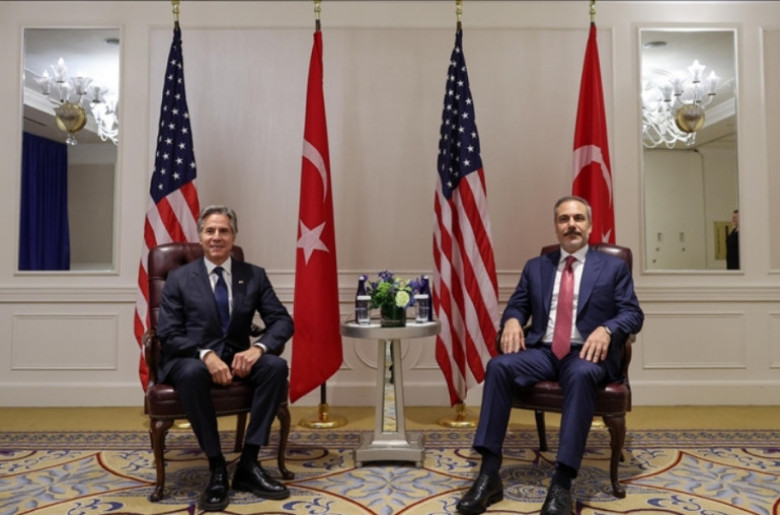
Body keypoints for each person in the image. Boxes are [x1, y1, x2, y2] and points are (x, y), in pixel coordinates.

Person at [456, 196, 644, 515]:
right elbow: (518, 305)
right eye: (564, 219)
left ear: (589, 225)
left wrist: (608, 329)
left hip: (585, 353)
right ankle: (488, 475)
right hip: (543, 352)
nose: (571, 225)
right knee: (499, 366)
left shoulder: (613, 268)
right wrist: (512, 320)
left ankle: (562, 482)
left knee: (581, 373)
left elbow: (633, 313)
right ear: (556, 227)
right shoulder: (536, 266)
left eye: (578, 218)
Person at [156, 205, 294, 512]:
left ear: (233, 237)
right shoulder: (179, 278)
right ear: (200, 236)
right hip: (190, 358)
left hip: (237, 357)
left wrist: (258, 349)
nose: (216, 237)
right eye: (210, 231)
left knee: (275, 366)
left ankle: (249, 462)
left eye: (224, 231)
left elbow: (282, 321)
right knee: (192, 373)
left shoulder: (253, 275)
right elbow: (168, 332)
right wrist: (205, 355)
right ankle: (216, 466)